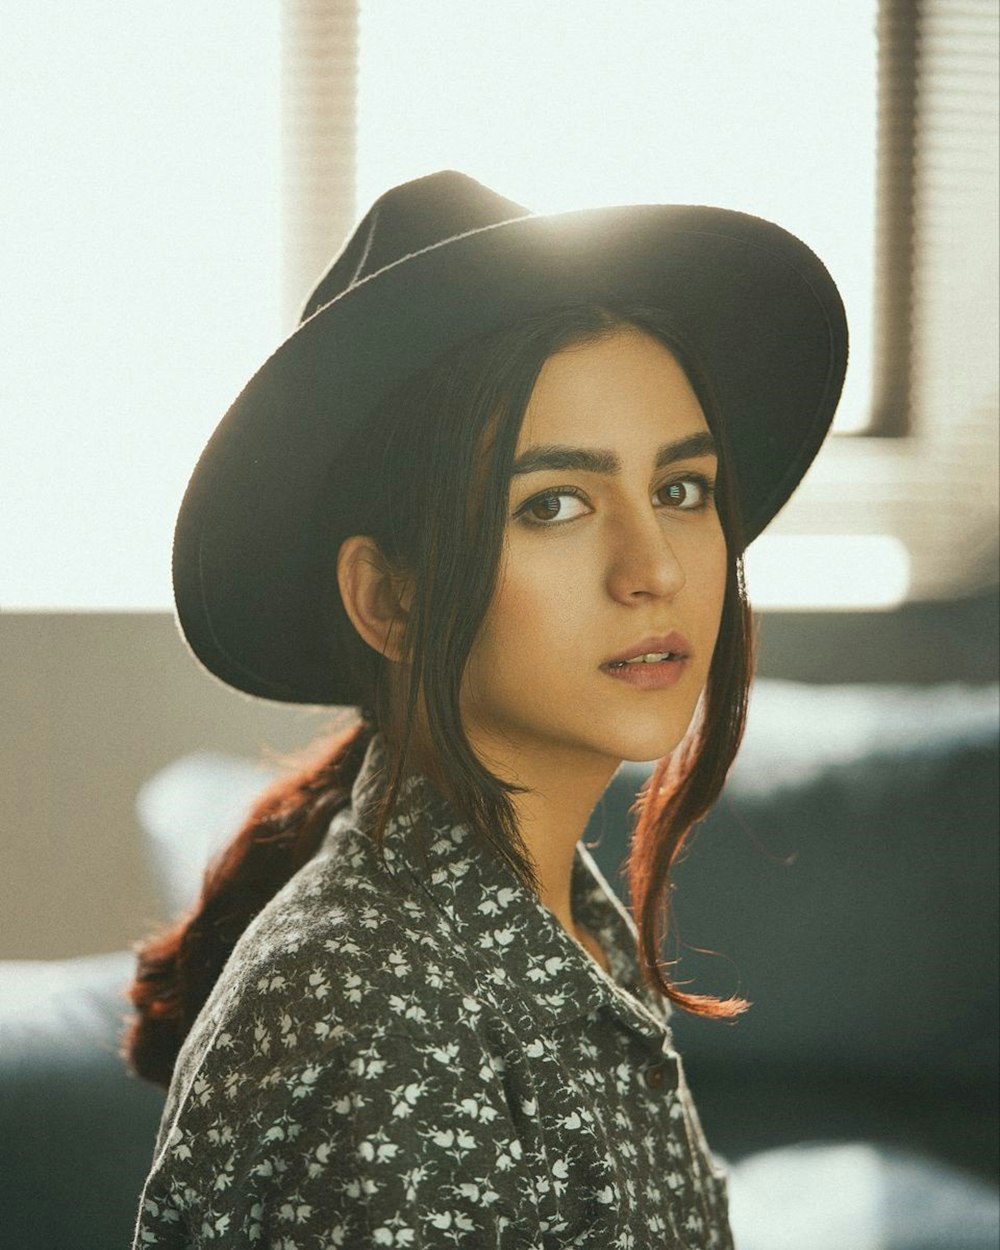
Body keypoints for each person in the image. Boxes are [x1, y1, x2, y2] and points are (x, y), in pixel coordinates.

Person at [125, 170, 847, 1248]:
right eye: (552, 502)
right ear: (388, 595)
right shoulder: (379, 1013)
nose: (652, 566)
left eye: (681, 488)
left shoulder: (554, 924)